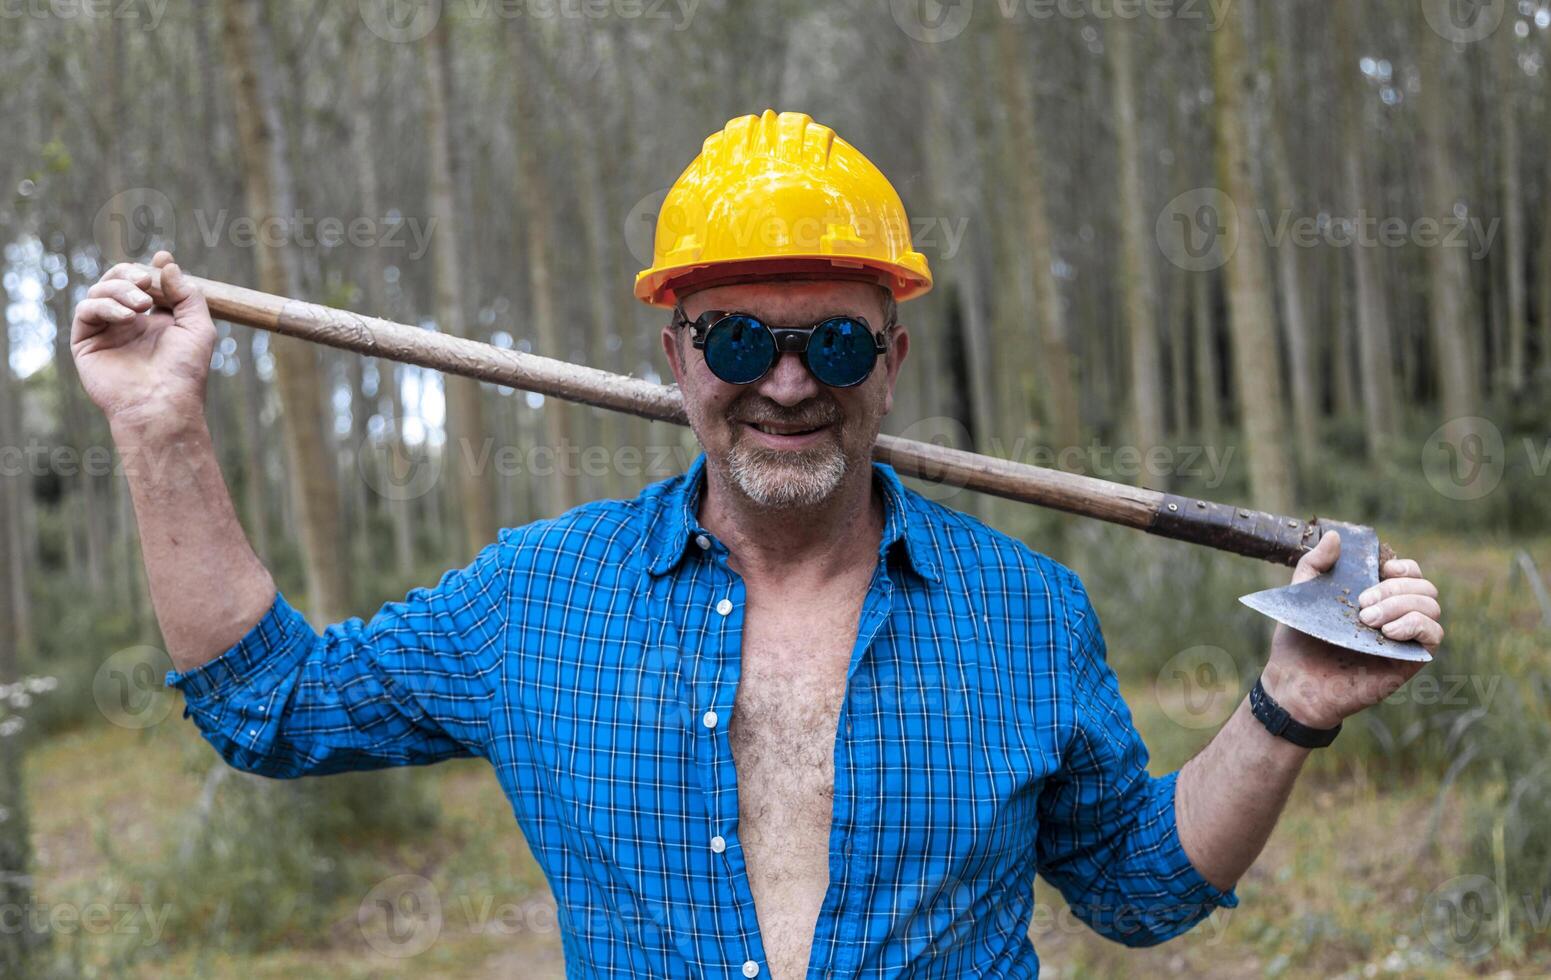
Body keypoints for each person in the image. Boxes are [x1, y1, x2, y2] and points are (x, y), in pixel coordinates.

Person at [72, 110, 1443, 978]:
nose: (788, 382)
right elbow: (272, 707)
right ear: (677, 357)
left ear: (890, 360)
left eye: (833, 340)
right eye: (739, 339)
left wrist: (1289, 709)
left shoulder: (1029, 612)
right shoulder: (537, 599)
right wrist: (156, 422)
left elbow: (1140, 893)